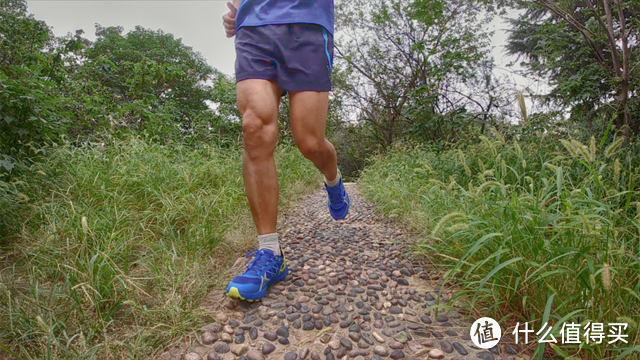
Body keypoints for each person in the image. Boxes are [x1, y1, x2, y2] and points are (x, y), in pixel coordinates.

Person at [221, 0, 349, 302]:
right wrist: (239, 9)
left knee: (310, 142)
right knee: (255, 128)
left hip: (306, 24)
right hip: (253, 28)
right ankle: (270, 252)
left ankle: (333, 177)